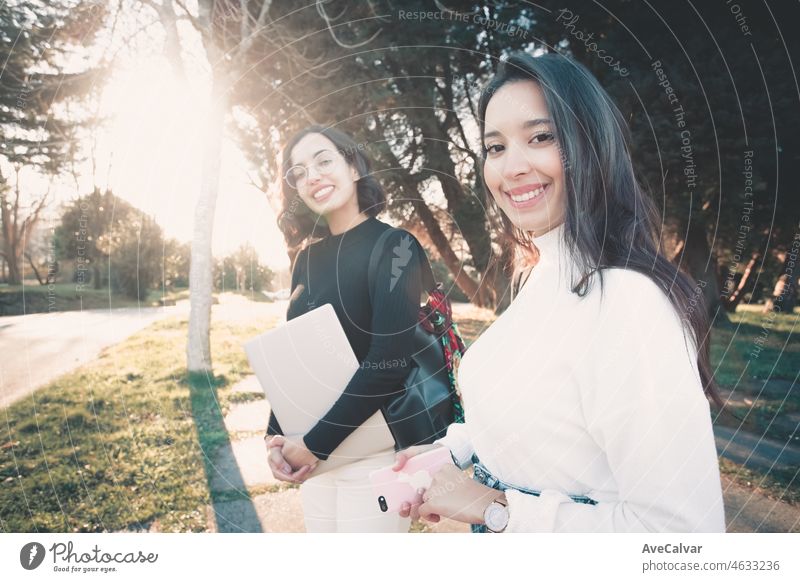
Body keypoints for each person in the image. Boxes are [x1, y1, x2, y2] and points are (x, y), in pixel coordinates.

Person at [393, 52, 726, 533]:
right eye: (495, 147)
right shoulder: (538, 275)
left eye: (541, 137)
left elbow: (682, 536)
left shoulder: (626, 302)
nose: (511, 167)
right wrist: (447, 452)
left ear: (591, 144)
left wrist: (493, 508)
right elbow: (535, 414)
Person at [263, 125, 426, 533]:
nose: (312, 176)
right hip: (315, 459)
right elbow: (297, 356)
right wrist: (276, 437)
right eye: (298, 172)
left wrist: (313, 444)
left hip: (377, 458)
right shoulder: (306, 259)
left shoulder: (397, 246)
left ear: (353, 167)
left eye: (323, 160)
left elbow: (387, 364)